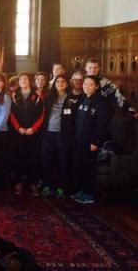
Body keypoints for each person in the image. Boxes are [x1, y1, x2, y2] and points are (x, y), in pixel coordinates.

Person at [71, 76, 110, 204]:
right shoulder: (83, 99)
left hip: (91, 141)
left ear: (96, 87)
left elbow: (102, 125)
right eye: (85, 84)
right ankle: (82, 190)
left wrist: (96, 141)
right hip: (80, 140)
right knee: (80, 166)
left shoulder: (101, 103)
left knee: (89, 168)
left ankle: (89, 194)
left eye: (90, 85)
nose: (86, 86)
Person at [40, 75, 77, 198]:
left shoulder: (71, 98)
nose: (60, 84)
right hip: (48, 133)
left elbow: (74, 119)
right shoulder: (49, 97)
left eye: (63, 82)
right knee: (46, 160)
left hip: (63, 134)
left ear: (67, 84)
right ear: (54, 84)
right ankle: (47, 186)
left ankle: (62, 187)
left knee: (64, 161)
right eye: (58, 82)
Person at [9, 72, 45, 196]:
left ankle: (33, 183)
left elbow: (42, 114)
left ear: (30, 81)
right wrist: (18, 128)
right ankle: (19, 181)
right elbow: (11, 114)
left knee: (33, 158)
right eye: (21, 79)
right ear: (18, 82)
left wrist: (33, 129)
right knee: (19, 157)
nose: (23, 81)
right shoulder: (14, 95)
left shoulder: (38, 95)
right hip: (19, 132)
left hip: (33, 133)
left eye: (25, 79)